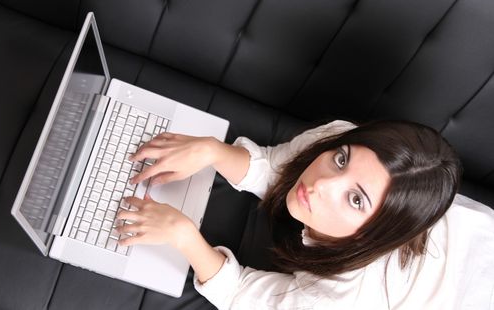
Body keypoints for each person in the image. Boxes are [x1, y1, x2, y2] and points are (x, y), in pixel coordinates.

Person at [115, 120, 494, 309]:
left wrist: (183, 236)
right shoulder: (340, 138)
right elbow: (275, 167)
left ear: (371, 235)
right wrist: (212, 151)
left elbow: (243, 295)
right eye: (341, 159)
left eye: (355, 200)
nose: (320, 184)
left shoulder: (349, 295)